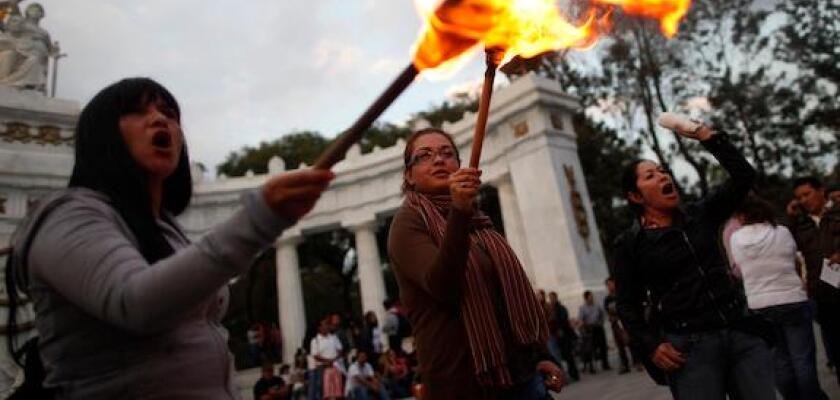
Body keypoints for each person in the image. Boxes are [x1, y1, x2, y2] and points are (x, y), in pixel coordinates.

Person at [4, 77, 333, 399]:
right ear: (101, 135)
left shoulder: (166, 229)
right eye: (137, 111)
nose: (159, 119)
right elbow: (135, 303)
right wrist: (260, 219)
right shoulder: (66, 215)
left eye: (169, 113)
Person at [387, 127, 564, 399]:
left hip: (521, 374)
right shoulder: (407, 223)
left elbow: (507, 294)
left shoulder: (477, 219)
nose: (438, 160)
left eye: (448, 154)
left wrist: (540, 355)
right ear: (408, 175)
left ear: (459, 165)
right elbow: (442, 285)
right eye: (424, 156)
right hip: (463, 384)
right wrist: (459, 213)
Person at [613, 121, 776, 399]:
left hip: (740, 332)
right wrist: (651, 346)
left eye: (663, 171)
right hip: (689, 349)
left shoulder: (701, 214)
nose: (663, 177)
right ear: (635, 196)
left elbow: (744, 177)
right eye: (650, 175)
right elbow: (627, 305)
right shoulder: (630, 244)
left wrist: (708, 138)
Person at [730, 195, 828, 400]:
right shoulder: (781, 232)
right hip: (792, 299)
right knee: (802, 361)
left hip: (759, 304)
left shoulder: (736, 238)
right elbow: (793, 257)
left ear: (742, 215)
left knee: (778, 361)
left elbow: (738, 266)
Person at [785, 176, 840, 384]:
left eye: (807, 194)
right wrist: (791, 218)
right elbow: (786, 245)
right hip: (824, 299)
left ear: (821, 191)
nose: (804, 200)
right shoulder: (800, 224)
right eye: (799, 198)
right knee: (836, 351)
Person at [604, 278, 636, 374]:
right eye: (608, 285)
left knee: (631, 342)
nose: (610, 286)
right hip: (615, 325)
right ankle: (625, 365)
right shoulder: (607, 299)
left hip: (625, 322)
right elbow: (607, 311)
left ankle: (637, 361)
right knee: (620, 345)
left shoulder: (620, 295)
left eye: (611, 284)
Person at [310, 319, 344, 400]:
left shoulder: (333, 337)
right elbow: (315, 356)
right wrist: (327, 361)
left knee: (338, 390)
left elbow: (340, 350)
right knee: (324, 390)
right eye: (324, 325)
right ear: (319, 327)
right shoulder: (315, 341)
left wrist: (333, 360)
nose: (327, 326)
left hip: (335, 366)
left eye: (327, 325)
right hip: (322, 368)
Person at [548, 292, 579, 381]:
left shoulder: (560, 308)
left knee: (568, 356)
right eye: (550, 298)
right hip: (558, 336)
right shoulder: (552, 309)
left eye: (552, 298)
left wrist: (561, 328)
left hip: (564, 335)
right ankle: (568, 375)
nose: (551, 300)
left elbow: (564, 320)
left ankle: (574, 374)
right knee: (563, 356)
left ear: (556, 298)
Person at [578, 290, 610, 373]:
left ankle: (605, 364)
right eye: (590, 296)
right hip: (590, 329)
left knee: (603, 346)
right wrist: (582, 327)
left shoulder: (597, 305)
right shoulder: (582, 308)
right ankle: (592, 366)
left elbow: (603, 314)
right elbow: (581, 319)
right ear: (586, 298)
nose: (591, 298)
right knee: (591, 348)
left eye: (592, 296)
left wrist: (601, 322)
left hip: (598, 327)